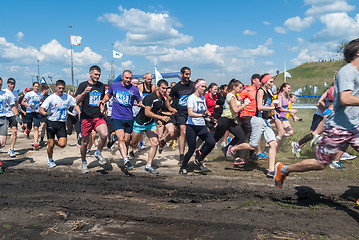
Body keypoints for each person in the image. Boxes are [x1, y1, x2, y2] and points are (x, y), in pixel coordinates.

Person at [274, 39, 359, 196]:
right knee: (320, 164)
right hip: (338, 128)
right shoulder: (347, 72)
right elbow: (345, 99)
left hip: (354, 126)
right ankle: (284, 169)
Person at [227, 74, 278, 178]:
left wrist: (275, 108)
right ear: (264, 81)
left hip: (265, 121)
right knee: (252, 145)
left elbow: (269, 106)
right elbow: (259, 107)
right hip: (258, 120)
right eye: (270, 82)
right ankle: (233, 149)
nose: (272, 84)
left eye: (273, 82)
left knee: (273, 144)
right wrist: (272, 109)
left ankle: (271, 170)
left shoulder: (269, 92)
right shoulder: (260, 91)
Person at [98, 70, 142, 171]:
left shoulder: (134, 89)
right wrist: (103, 101)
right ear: (122, 77)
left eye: (130, 78)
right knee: (121, 138)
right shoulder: (114, 86)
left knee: (126, 140)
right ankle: (126, 160)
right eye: (126, 78)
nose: (128, 80)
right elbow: (108, 95)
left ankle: (113, 138)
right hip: (116, 117)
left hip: (129, 118)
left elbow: (139, 99)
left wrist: (140, 103)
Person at [129, 79, 171, 174]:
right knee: (133, 144)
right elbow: (147, 112)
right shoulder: (150, 97)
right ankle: (119, 140)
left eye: (166, 88)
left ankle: (148, 166)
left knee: (155, 143)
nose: (164, 90)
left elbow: (156, 112)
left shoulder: (162, 100)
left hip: (150, 123)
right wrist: (161, 118)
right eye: (163, 88)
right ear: (158, 87)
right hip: (140, 123)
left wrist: (158, 120)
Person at [75, 65, 108, 173]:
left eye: (99, 75)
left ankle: (97, 152)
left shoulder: (101, 86)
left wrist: (103, 108)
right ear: (90, 73)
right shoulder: (83, 85)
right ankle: (83, 161)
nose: (97, 77)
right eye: (95, 74)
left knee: (104, 134)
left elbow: (102, 100)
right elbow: (76, 101)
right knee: (85, 142)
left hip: (97, 116)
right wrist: (84, 93)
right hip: (86, 117)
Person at [179, 79, 216, 175]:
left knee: (211, 142)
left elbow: (204, 112)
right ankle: (182, 167)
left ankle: (199, 160)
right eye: (202, 86)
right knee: (191, 149)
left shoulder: (203, 98)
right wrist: (203, 116)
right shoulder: (191, 98)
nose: (204, 88)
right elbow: (190, 113)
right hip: (192, 126)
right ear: (197, 87)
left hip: (201, 125)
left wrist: (210, 119)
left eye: (205, 87)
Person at [39, 80, 77, 168]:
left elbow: (76, 103)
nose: (61, 90)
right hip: (51, 123)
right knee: (50, 145)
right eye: (59, 88)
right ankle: (50, 159)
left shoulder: (67, 97)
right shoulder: (50, 98)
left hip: (61, 123)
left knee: (62, 144)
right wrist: (45, 113)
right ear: (55, 88)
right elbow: (41, 109)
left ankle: (54, 141)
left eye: (62, 88)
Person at [212, 79, 247, 160]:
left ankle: (228, 149)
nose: (241, 89)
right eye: (240, 87)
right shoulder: (230, 96)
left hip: (231, 121)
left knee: (241, 137)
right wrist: (245, 104)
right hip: (224, 120)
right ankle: (200, 153)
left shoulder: (235, 96)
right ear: (234, 87)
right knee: (214, 140)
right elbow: (235, 110)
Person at [168, 67, 194, 165]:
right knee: (183, 131)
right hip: (180, 113)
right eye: (186, 74)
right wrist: (170, 108)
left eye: (189, 74)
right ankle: (182, 157)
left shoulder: (193, 85)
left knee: (177, 134)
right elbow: (167, 100)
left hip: (191, 112)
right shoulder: (176, 87)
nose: (188, 76)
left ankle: (163, 141)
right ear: (181, 74)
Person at [237, 74, 267, 160]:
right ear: (253, 80)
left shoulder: (259, 91)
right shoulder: (247, 90)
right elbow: (238, 99)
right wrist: (240, 108)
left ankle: (229, 148)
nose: (261, 82)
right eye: (259, 80)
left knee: (243, 135)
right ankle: (248, 154)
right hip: (246, 115)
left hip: (254, 116)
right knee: (252, 133)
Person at [0, 77, 21, 173]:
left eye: (0, 84)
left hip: (3, 118)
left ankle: (11, 149)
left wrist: (17, 116)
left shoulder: (5, 94)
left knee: (2, 143)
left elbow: (13, 105)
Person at [21, 82, 43, 150]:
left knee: (36, 127)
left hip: (36, 112)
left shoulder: (40, 94)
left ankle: (35, 142)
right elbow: (22, 102)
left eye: (38, 86)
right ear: (33, 87)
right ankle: (28, 131)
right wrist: (29, 105)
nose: (37, 88)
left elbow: (42, 101)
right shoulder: (29, 94)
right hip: (29, 112)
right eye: (35, 86)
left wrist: (40, 103)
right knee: (29, 127)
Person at [4, 78, 19, 157]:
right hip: (3, 114)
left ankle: (11, 149)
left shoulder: (15, 93)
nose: (12, 85)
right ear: (7, 84)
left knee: (14, 131)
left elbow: (15, 104)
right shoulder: (4, 92)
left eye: (13, 84)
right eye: (10, 83)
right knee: (3, 132)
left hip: (12, 114)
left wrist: (17, 114)